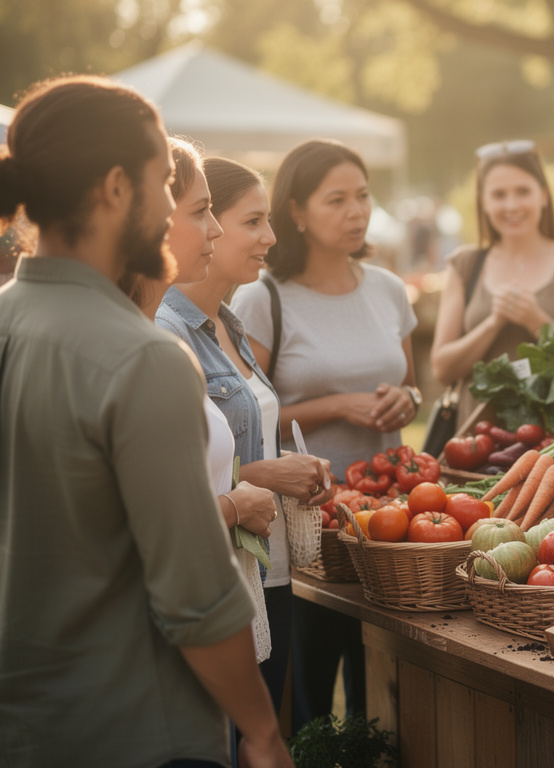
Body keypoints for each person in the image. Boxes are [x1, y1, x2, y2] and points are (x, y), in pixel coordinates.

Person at [0, 76, 291, 767]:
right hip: (137, 729)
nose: (174, 210)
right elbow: (194, 594)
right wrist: (263, 729)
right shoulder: (144, 359)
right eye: (166, 183)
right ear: (114, 189)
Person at [230, 138, 417, 730]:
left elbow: (410, 385)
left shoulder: (388, 288)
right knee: (309, 689)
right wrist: (336, 406)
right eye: (336, 199)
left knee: (388, 688)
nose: (356, 210)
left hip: (392, 519)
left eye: (362, 195)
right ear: (297, 213)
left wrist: (403, 401)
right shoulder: (263, 298)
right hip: (307, 524)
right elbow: (246, 412)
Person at [159, 154, 337, 716]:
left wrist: (286, 466)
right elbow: (172, 481)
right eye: (252, 221)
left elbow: (229, 443)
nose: (271, 236)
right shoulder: (166, 333)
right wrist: (264, 476)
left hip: (267, 570)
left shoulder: (229, 323)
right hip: (223, 578)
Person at [429, 139, 554, 432]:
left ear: (544, 195)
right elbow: (442, 368)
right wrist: (493, 323)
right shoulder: (464, 265)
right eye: (499, 194)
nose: (511, 205)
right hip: (476, 445)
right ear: (484, 201)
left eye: (522, 191)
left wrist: (539, 323)